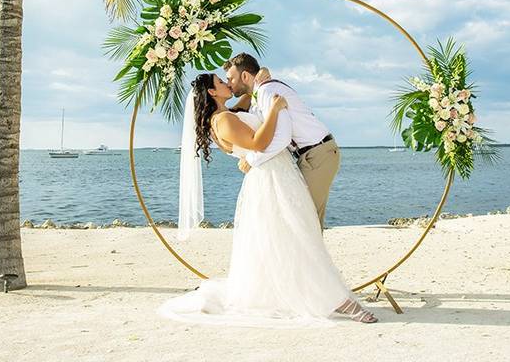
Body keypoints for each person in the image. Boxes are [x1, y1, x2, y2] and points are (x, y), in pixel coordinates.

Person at [157, 73, 377, 326]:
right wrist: (275, 110)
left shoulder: (229, 112)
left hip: (278, 173)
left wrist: (257, 79)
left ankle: (308, 293)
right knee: (298, 236)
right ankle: (339, 302)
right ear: (211, 93)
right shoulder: (223, 120)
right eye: (220, 82)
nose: (226, 84)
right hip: (272, 178)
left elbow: (247, 95)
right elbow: (258, 142)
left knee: (290, 237)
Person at [223, 53, 340, 229]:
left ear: (245, 76)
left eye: (231, 79)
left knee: (304, 219)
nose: (228, 84)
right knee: (308, 221)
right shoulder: (258, 95)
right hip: (312, 155)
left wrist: (251, 160)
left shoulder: (266, 91)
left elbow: (283, 137)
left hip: (318, 153)